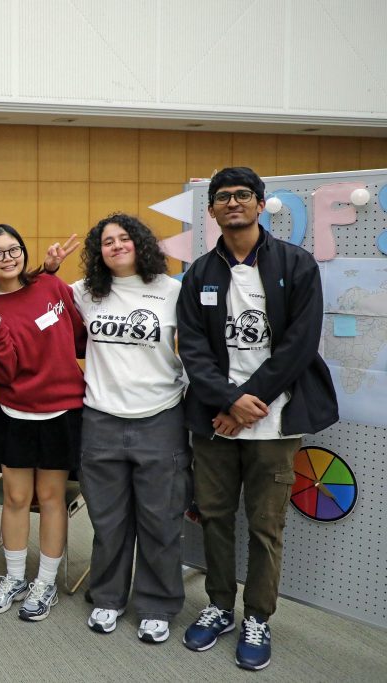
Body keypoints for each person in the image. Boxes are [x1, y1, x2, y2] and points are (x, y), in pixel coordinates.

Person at [176, 167, 338, 670]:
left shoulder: (297, 263)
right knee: (217, 518)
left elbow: (300, 345)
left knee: (266, 526)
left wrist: (248, 402)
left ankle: (259, 616)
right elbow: (194, 350)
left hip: (275, 418)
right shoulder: (199, 273)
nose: (232, 203)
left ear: (261, 203)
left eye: (243, 195)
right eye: (223, 197)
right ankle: (220, 606)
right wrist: (227, 400)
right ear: (212, 211)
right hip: (217, 419)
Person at [69, 214, 190, 643]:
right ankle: (107, 596)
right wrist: (46, 269)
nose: (116, 245)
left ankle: (156, 604)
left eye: (124, 238)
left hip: (160, 416)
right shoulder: (85, 292)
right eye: (107, 241)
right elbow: (38, 303)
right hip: (101, 418)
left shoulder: (172, 290)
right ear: (97, 252)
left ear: (140, 243)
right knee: (108, 520)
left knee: (160, 519)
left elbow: (197, 348)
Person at [0, 227, 85, 622]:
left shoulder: (51, 285)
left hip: (62, 410)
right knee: (14, 499)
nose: (8, 257)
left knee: (50, 499)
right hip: (14, 412)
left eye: (13, 249)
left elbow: (79, 339)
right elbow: (3, 371)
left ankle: (44, 583)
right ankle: (14, 577)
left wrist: (48, 271)